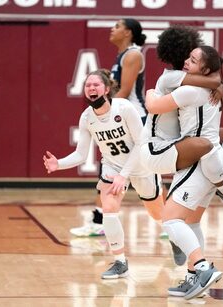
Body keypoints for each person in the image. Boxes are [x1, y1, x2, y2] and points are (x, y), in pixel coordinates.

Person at [141, 25, 223, 298]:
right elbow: (217, 85)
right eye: (188, 57)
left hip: (191, 158)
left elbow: (154, 106)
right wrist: (218, 81)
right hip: (206, 158)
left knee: (170, 220)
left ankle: (201, 267)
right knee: (191, 222)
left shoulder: (182, 84)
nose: (188, 61)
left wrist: (150, 95)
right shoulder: (209, 87)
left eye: (194, 59)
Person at [44, 69, 164, 279]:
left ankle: (175, 236)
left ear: (107, 89)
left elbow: (141, 143)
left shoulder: (124, 108)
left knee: (158, 215)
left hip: (141, 164)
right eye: (88, 85)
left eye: (96, 85)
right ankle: (120, 262)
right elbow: (81, 154)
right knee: (108, 208)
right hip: (112, 167)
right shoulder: (87, 118)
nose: (91, 88)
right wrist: (58, 164)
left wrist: (124, 175)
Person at [70, 18, 149, 237]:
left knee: (144, 175)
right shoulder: (122, 56)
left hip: (133, 117)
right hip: (120, 115)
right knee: (110, 171)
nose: (112, 29)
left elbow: (123, 92)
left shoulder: (133, 55)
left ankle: (170, 220)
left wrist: (103, 110)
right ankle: (100, 220)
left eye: (117, 26)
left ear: (128, 33)